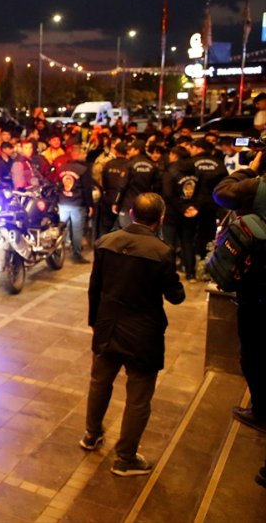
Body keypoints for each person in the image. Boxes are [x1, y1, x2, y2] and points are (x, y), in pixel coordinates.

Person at [80, 192, 185, 476]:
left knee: (99, 383)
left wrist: (95, 323)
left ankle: (91, 435)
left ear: (131, 213)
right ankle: (125, 457)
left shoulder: (106, 242)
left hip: (108, 326)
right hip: (143, 333)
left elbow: (95, 288)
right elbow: (176, 296)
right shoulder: (161, 251)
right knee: (138, 397)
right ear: (160, 218)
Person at [212, 148, 266, 489]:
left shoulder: (256, 186)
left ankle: (261, 407)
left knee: (255, 352)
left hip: (258, 287)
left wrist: (249, 168)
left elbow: (223, 192)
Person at [161, 145, 199, 281]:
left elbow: (168, 194)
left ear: (175, 155)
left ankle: (169, 275)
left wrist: (182, 208)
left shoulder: (170, 171)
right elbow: (200, 191)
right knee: (188, 243)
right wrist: (192, 207)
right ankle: (191, 273)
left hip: (172, 213)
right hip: (190, 212)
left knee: (169, 244)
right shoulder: (194, 170)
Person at [54, 142, 94, 262]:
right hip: (77, 204)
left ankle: (57, 249)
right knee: (77, 229)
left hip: (63, 202)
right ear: (77, 154)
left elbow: (58, 185)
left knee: (61, 228)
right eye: (83, 153)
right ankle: (76, 254)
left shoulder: (62, 167)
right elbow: (87, 188)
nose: (85, 155)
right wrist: (90, 205)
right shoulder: (84, 169)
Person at [114, 141, 158, 229]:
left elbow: (122, 185)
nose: (128, 151)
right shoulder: (153, 166)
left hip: (129, 204)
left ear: (137, 150)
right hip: (146, 204)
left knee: (127, 231)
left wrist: (116, 202)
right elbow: (156, 187)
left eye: (131, 149)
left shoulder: (129, 165)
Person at [97, 142, 129, 236]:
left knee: (105, 227)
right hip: (123, 200)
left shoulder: (108, 164)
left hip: (108, 198)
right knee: (123, 229)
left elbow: (103, 183)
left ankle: (104, 248)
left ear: (116, 151)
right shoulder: (129, 165)